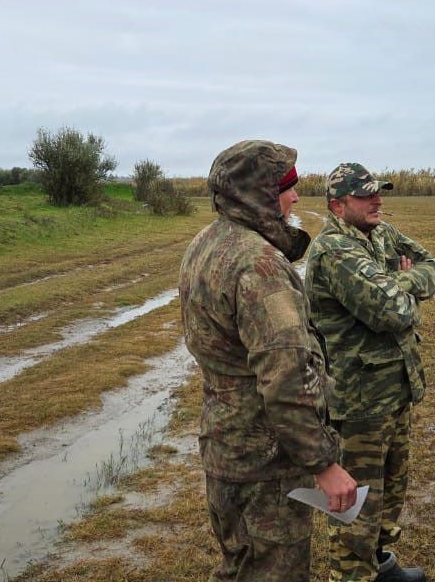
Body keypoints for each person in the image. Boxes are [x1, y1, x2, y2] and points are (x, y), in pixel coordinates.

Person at [178, 140, 358, 582]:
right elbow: (286, 377)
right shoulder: (259, 266)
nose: (295, 197)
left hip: (224, 448)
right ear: (258, 195)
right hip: (265, 464)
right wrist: (323, 463)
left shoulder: (205, 244)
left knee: (239, 565)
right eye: (286, 187)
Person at [304, 163, 435, 582]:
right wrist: (403, 286)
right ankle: (353, 575)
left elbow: (431, 266)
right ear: (337, 206)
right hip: (358, 398)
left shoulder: (381, 233)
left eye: (378, 192)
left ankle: (379, 565)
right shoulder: (335, 251)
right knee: (356, 509)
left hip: (394, 389)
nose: (377, 200)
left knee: (389, 494)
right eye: (365, 196)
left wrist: (400, 280)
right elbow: (392, 314)